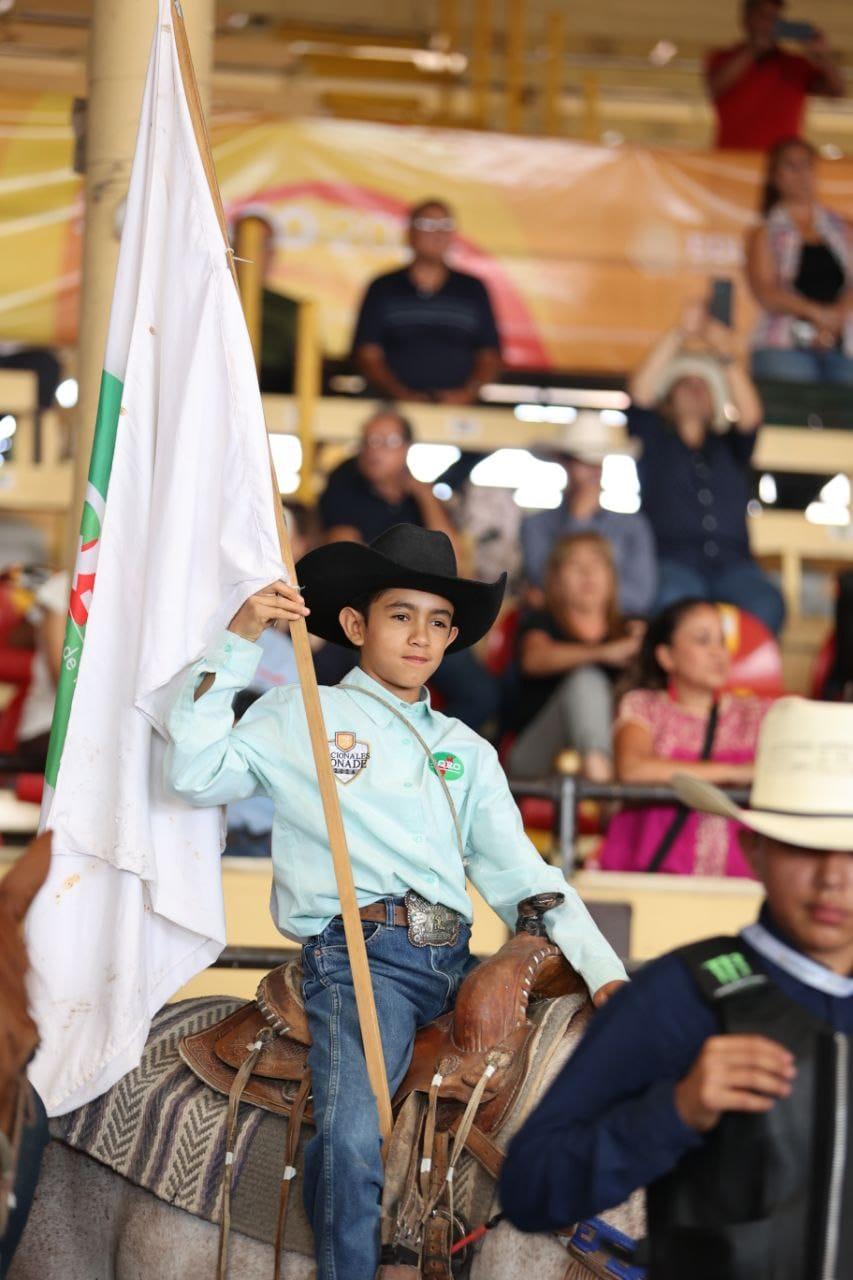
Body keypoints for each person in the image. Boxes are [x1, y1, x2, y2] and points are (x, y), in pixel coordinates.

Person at [165, 522, 628, 1280]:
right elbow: (192, 773)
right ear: (354, 624)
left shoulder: (466, 750)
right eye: (401, 615)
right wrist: (239, 639)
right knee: (352, 1135)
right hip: (359, 960)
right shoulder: (298, 715)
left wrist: (605, 973)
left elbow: (520, 873)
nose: (421, 637)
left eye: (439, 621)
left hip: (455, 963)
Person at [501, 696, 853, 1280]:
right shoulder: (679, 996)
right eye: (805, 846)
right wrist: (675, 1111)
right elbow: (530, 1189)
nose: (833, 877)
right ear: (753, 850)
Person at [318, 407, 499, 733]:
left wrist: (423, 494)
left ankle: (422, 744)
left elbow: (453, 557)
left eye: (387, 441)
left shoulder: (419, 494)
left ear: (406, 449)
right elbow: (345, 554)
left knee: (482, 694)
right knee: (324, 683)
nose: (375, 450)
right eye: (369, 441)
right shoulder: (345, 480)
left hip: (424, 614)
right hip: (367, 612)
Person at [629, 300, 785, 635]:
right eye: (686, 383)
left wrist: (724, 353)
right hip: (673, 562)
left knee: (767, 605)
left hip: (735, 565)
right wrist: (678, 334)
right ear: (668, 400)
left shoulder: (730, 445)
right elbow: (640, 393)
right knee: (675, 604)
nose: (697, 389)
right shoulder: (656, 442)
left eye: (704, 385)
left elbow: (751, 415)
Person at [596, 598, 771, 877]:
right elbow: (634, 768)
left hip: (741, 885)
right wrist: (736, 772)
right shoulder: (644, 706)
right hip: (655, 878)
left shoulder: (757, 714)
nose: (718, 653)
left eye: (722, 642)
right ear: (666, 656)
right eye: (703, 640)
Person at [508, 533, 642, 784]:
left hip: (618, 754)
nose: (587, 573)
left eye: (597, 563)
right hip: (535, 759)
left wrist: (645, 652)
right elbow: (533, 659)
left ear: (612, 576)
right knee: (585, 680)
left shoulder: (630, 630)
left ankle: (602, 776)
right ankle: (604, 793)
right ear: (556, 580)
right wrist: (604, 653)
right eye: (575, 565)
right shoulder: (541, 621)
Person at [352, 198, 501, 404]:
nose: (437, 233)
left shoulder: (473, 289)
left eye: (445, 225)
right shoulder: (383, 287)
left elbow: (489, 355)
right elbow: (368, 353)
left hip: (459, 411)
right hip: (391, 408)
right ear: (410, 234)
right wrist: (401, 396)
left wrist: (466, 394)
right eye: (428, 225)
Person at [521, 412, 657, 619]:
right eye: (584, 461)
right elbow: (545, 581)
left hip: (618, 627)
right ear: (564, 463)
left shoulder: (634, 526)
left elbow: (640, 597)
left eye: (598, 462)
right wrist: (578, 520)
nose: (594, 471)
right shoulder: (535, 525)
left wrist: (563, 599)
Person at [747, 137, 853, 385]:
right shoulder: (766, 232)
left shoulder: (843, 227)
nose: (801, 174)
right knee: (794, 390)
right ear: (775, 177)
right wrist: (816, 314)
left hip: (843, 340)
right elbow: (767, 292)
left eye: (806, 165)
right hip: (783, 343)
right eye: (791, 166)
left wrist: (835, 318)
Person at [705, 0, 844, 152]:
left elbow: (837, 92)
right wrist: (752, 50)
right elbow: (715, 87)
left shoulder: (795, 64)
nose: (770, 24)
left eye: (775, 18)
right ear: (746, 20)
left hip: (780, 166)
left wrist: (824, 57)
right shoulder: (722, 58)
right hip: (734, 159)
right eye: (764, 17)